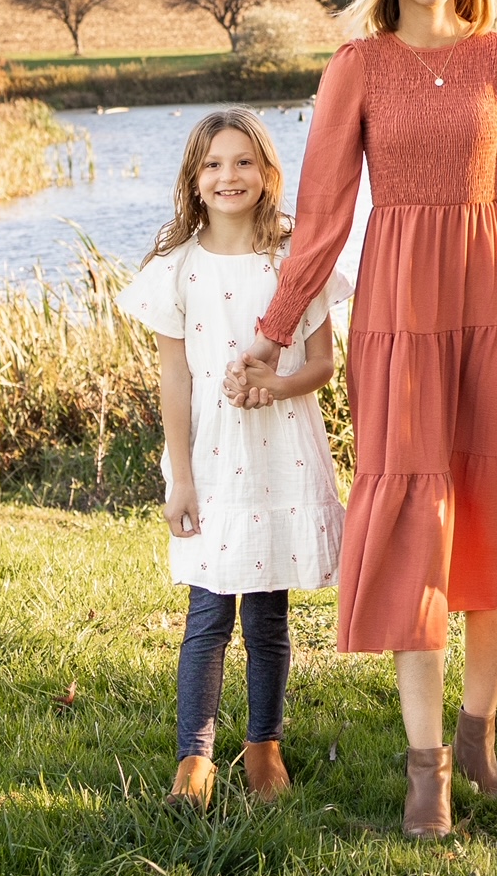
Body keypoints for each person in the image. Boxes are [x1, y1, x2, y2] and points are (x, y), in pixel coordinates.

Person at [239, 0, 497, 840]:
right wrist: (274, 331)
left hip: (495, 313)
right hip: (396, 313)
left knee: (489, 520)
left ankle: (479, 734)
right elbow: (321, 220)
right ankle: (426, 769)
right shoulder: (358, 66)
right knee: (411, 521)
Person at [115, 107, 349, 810]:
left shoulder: (293, 258)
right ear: (193, 178)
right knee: (209, 610)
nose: (228, 176)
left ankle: (264, 743)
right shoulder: (175, 268)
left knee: (268, 613)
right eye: (213, 164)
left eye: (243, 162)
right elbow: (174, 379)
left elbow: (322, 364)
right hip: (211, 460)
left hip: (281, 451)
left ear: (267, 172)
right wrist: (180, 476)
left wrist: (272, 383)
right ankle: (195, 757)